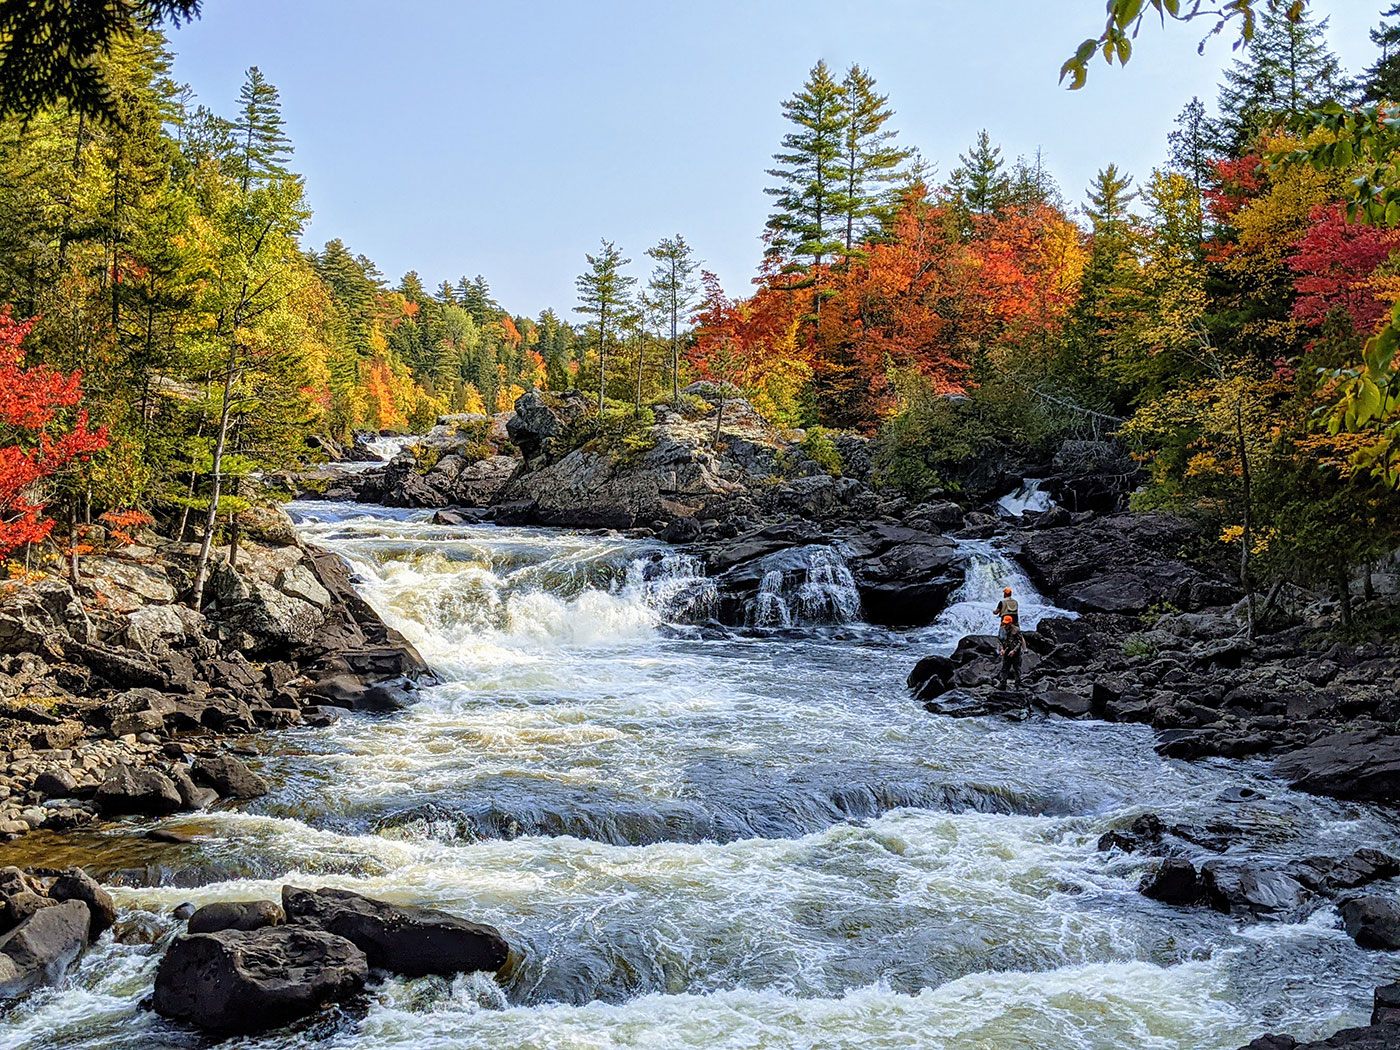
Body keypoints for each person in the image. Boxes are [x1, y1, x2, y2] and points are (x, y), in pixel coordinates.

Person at [997, 614, 1026, 690]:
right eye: (1004, 623)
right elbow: (1000, 641)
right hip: (1006, 652)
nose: (1005, 624)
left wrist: (1014, 651)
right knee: (1005, 668)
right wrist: (1002, 649)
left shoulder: (1016, 630)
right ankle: (1002, 683)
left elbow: (1020, 642)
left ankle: (1018, 684)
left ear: (1010, 623)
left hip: (1016, 653)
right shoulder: (1001, 630)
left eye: (1007, 623)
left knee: (1017, 669)